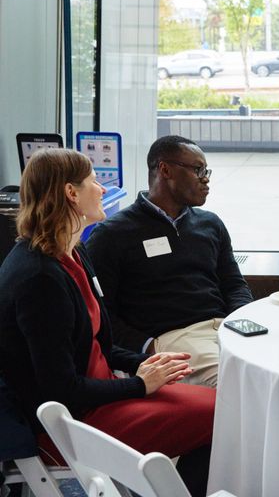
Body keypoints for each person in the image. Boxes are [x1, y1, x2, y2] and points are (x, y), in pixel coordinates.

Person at [0, 149, 215, 497]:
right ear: (71, 194)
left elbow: (98, 343)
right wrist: (140, 385)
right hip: (72, 425)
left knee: (217, 406)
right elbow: (61, 390)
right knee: (218, 415)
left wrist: (144, 364)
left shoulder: (72, 251)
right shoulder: (38, 278)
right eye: (94, 182)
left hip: (101, 399)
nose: (102, 189)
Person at [86, 135, 253, 387]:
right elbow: (101, 312)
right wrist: (147, 347)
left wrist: (242, 322)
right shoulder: (113, 234)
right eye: (198, 170)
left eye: (206, 171)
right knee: (241, 385)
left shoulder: (210, 224)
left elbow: (233, 284)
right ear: (165, 170)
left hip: (225, 329)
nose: (205, 178)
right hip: (172, 339)